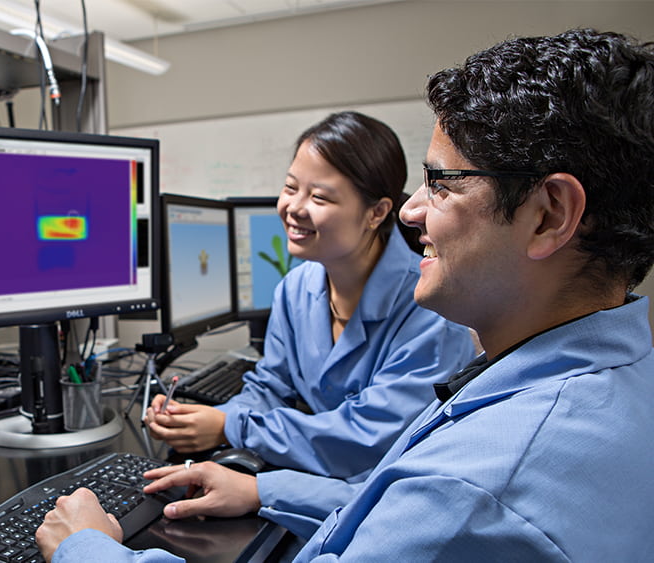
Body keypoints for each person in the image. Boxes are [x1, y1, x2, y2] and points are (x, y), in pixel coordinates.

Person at [36, 28, 654, 561]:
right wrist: (264, 489)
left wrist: (86, 549)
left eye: (441, 184)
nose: (415, 211)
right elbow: (389, 495)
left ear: (549, 215)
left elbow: (408, 476)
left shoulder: (475, 488)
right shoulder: (610, 378)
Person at [144, 111, 475, 479]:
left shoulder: (431, 310)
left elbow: (368, 440)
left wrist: (233, 428)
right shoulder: (295, 289)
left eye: (318, 196)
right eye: (289, 188)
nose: (293, 208)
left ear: (377, 213)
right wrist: (210, 418)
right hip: (314, 480)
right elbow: (271, 386)